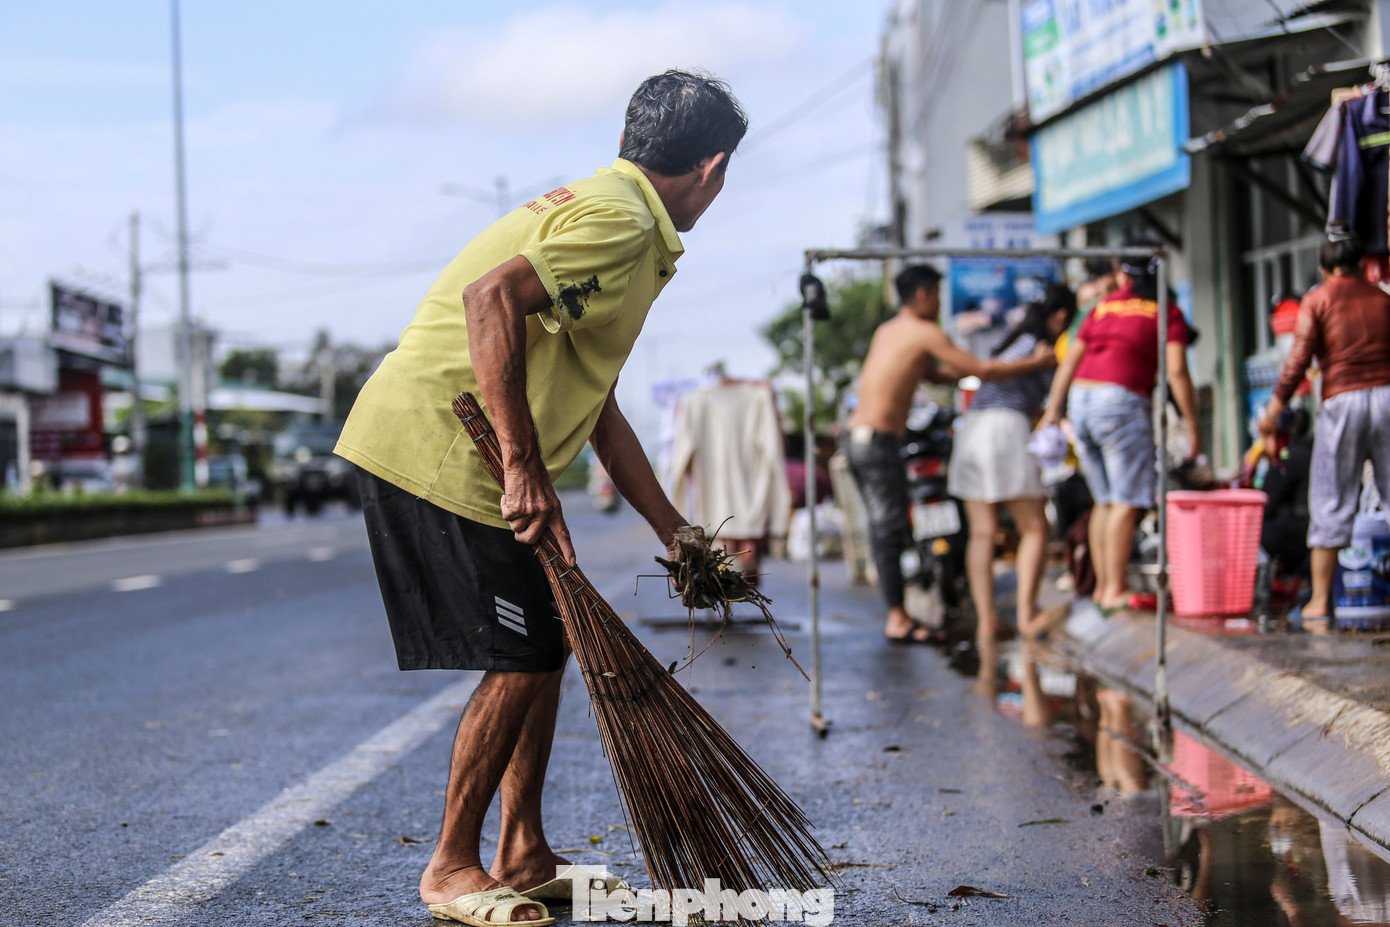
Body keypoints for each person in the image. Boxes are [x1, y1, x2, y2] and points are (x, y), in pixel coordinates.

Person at [334, 70, 746, 925]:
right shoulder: (623, 221)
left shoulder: (615, 213)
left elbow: (597, 405)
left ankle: (521, 850)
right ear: (711, 167)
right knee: (521, 654)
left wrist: (675, 531)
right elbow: (489, 302)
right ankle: (450, 866)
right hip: (440, 447)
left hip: (468, 448)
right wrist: (523, 465)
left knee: (546, 645)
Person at [846, 264, 1056, 644]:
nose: (941, 303)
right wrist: (1038, 363)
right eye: (938, 295)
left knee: (895, 529)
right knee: (889, 529)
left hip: (862, 440)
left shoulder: (889, 330)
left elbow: (934, 375)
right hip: (878, 441)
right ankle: (897, 618)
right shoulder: (924, 331)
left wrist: (963, 376)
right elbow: (982, 369)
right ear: (924, 294)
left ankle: (904, 613)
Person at [1040, 249, 1200, 615]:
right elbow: (1177, 372)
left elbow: (1071, 360)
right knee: (1127, 501)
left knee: (1105, 501)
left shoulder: (1104, 306)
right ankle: (1114, 588)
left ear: (1125, 277)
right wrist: (1193, 427)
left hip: (1082, 400)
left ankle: (1100, 589)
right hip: (1120, 401)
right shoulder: (1165, 311)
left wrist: (1054, 409)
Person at [1258, 233, 1390, 632]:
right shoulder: (1383, 297)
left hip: (1342, 400)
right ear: (1360, 264)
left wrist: (1274, 410)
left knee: (1331, 499)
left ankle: (1318, 603)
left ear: (1324, 268)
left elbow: (1298, 358)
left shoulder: (1317, 299)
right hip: (1388, 396)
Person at [949, 283, 1077, 646]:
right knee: (1034, 527)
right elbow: (1029, 391)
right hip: (1006, 427)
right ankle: (1027, 614)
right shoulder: (1039, 348)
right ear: (1061, 316)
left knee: (982, 533)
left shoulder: (1010, 338)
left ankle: (987, 621)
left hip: (974, 427)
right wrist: (1042, 364)